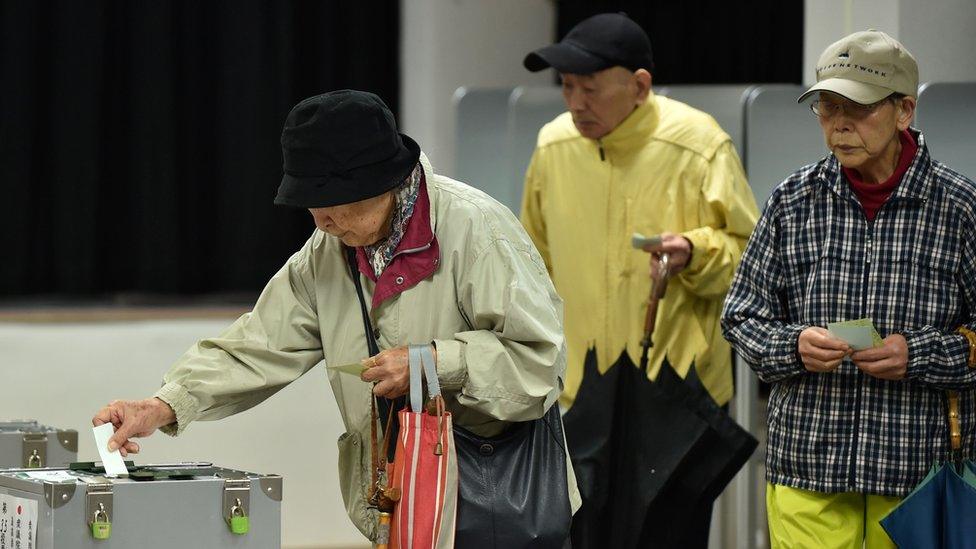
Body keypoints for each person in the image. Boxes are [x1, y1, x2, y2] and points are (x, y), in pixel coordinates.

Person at [92, 90, 580, 544]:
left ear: (385, 184)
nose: (322, 222)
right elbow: (258, 344)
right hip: (402, 502)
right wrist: (163, 405)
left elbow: (539, 361)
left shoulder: (478, 231)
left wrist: (432, 362)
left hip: (490, 501)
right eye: (312, 207)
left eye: (334, 205)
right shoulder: (331, 249)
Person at [722, 30, 976, 548]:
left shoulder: (960, 208)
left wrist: (919, 353)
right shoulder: (792, 201)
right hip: (807, 467)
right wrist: (793, 345)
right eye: (826, 107)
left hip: (918, 472)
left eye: (857, 108)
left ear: (904, 110)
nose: (838, 124)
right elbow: (742, 315)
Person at [520, 12, 758, 546]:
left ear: (640, 85)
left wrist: (695, 251)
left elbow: (751, 258)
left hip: (674, 389)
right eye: (566, 87)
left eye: (590, 88)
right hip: (579, 393)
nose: (575, 103)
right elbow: (532, 265)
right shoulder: (553, 146)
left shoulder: (699, 145)